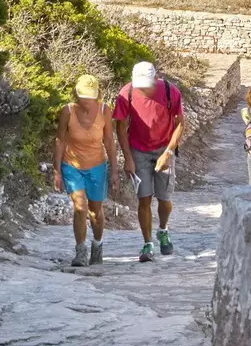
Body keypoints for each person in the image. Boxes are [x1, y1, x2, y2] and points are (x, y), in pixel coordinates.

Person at [113, 60, 185, 262]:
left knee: (164, 199)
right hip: (138, 151)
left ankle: (163, 230)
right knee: (143, 198)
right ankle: (147, 243)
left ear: (156, 79)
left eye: (147, 84)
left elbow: (180, 124)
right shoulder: (126, 93)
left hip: (164, 148)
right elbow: (120, 126)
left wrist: (168, 153)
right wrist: (127, 158)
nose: (143, 88)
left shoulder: (171, 92)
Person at [53, 75, 117, 269]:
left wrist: (114, 170)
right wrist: (57, 171)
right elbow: (60, 140)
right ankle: (80, 251)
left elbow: (109, 141)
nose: (87, 100)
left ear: (97, 95)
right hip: (71, 165)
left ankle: (97, 245)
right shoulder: (68, 111)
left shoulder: (105, 110)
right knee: (80, 207)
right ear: (77, 94)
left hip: (97, 165)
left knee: (95, 211)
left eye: (91, 96)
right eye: (83, 96)